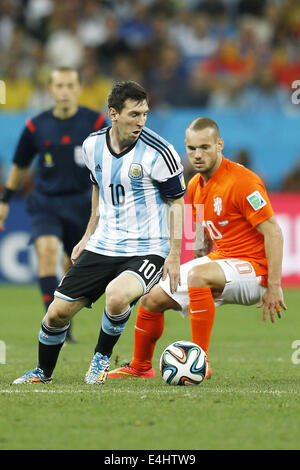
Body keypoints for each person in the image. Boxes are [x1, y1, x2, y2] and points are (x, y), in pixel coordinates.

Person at [12, 80, 186, 385]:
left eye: (145, 114)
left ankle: (101, 358)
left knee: (117, 297)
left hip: (147, 247)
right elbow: (99, 188)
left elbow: (179, 202)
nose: (141, 121)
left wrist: (174, 253)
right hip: (104, 243)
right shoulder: (92, 145)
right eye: (134, 114)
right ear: (114, 114)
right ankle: (43, 373)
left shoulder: (161, 152)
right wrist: (87, 235)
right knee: (56, 313)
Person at [108, 116, 287, 380]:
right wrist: (199, 276)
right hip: (222, 261)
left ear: (219, 145)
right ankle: (140, 366)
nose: (197, 155)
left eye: (205, 147)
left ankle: (200, 362)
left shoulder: (243, 182)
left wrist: (273, 285)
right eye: (192, 149)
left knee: (197, 276)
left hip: (254, 270)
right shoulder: (194, 185)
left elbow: (273, 231)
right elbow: (203, 237)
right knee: (150, 298)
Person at [0, 67, 107, 342]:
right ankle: (54, 324)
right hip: (45, 201)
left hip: (84, 204)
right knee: (47, 252)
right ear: (49, 89)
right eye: (59, 86)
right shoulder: (36, 126)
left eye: (70, 85)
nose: (65, 91)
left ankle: (62, 311)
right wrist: (5, 200)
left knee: (71, 263)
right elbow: (20, 165)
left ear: (79, 89)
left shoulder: (95, 123)